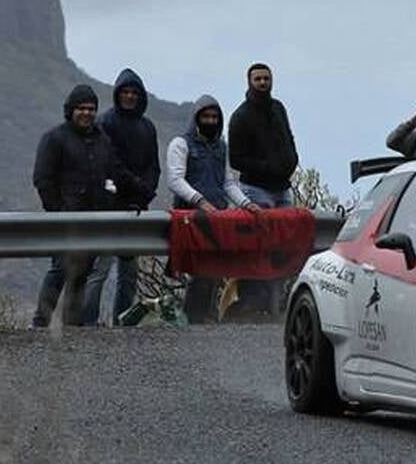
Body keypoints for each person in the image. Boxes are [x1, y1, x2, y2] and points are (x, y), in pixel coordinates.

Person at [31, 85, 125, 327]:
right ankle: (41, 322)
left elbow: (113, 172)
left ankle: (71, 327)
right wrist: (57, 211)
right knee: (60, 270)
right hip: (65, 220)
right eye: (81, 108)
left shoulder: (101, 140)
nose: (87, 113)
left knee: (82, 275)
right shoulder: (54, 138)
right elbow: (43, 178)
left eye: (91, 109)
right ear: (71, 110)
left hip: (93, 219)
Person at [166, 95, 259, 321]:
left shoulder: (221, 147)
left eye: (214, 117)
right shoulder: (181, 144)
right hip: (189, 217)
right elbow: (175, 179)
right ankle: (192, 319)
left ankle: (205, 318)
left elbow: (227, 182)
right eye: (206, 116)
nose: (210, 121)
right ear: (197, 118)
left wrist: (246, 204)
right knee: (199, 271)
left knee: (214, 270)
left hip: (217, 218)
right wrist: (199, 200)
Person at [82, 69, 161, 327]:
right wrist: (135, 185)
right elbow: (111, 163)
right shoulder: (106, 123)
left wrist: (147, 191)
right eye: (125, 92)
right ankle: (87, 322)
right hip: (111, 206)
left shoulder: (147, 127)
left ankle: (123, 322)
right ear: (118, 94)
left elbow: (153, 165)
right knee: (100, 269)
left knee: (129, 272)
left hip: (136, 208)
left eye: (133, 93)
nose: (129, 97)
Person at [228, 63, 299, 313]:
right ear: (249, 82)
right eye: (257, 79)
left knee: (283, 246)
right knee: (258, 248)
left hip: (282, 188)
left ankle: (276, 304)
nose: (262, 83)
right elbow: (236, 159)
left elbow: (289, 139)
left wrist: (291, 161)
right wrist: (267, 167)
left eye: (266, 78)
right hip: (256, 189)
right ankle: (252, 302)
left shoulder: (278, 109)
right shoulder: (241, 116)